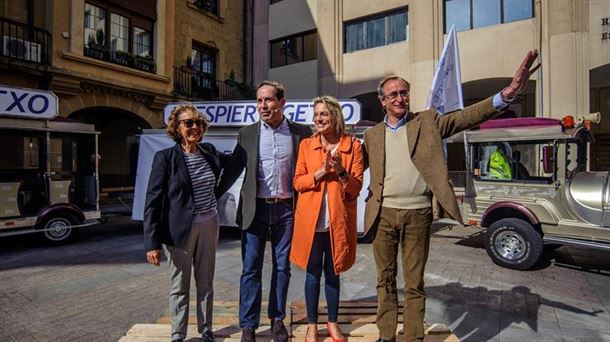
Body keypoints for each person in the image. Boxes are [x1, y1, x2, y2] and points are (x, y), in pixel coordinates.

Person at [362, 50, 541, 342]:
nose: (399, 98)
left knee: (415, 282)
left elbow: (466, 117)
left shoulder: (428, 121)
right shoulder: (372, 135)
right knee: (384, 280)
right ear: (382, 100)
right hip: (383, 216)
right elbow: (353, 168)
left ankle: (413, 337)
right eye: (392, 94)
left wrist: (506, 94)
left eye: (403, 93)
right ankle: (386, 336)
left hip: (418, 214)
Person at [217, 81, 312, 342]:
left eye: (268, 100)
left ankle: (277, 319)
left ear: (282, 102)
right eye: (259, 100)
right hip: (255, 209)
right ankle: (248, 324)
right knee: (251, 269)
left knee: (282, 268)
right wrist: (210, 197)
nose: (263, 105)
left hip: (286, 210)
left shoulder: (301, 132)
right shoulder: (247, 133)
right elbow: (234, 168)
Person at [143, 105, 231, 342]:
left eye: (198, 123)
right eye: (188, 123)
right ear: (177, 127)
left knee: (206, 281)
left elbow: (232, 165)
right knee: (179, 285)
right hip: (178, 229)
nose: (194, 127)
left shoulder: (209, 151)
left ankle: (206, 330)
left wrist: (217, 192)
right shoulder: (165, 158)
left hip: (209, 223)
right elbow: (153, 200)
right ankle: (178, 334)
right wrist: (151, 243)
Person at [290, 96, 364, 342]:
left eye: (323, 114)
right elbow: (298, 182)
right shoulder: (306, 145)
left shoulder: (352, 146)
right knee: (312, 273)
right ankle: (312, 324)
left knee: (333, 274)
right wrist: (322, 171)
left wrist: (340, 170)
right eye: (316, 115)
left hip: (337, 223)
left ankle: (332, 323)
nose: (318, 119)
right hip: (311, 223)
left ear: (335, 116)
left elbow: (355, 188)